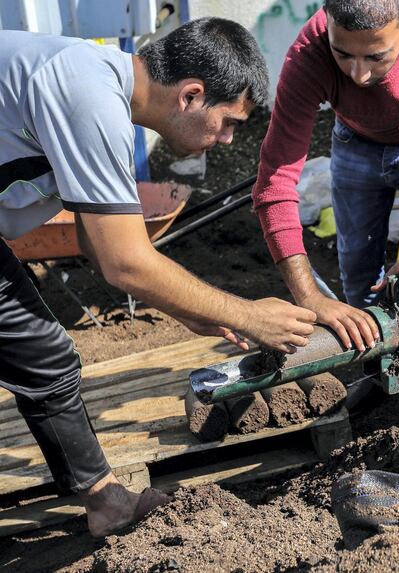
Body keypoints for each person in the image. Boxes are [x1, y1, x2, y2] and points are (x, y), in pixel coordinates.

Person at [0, 18, 317, 536]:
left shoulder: (98, 87)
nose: (228, 138)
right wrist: (247, 315)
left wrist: (192, 313)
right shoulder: (88, 95)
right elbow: (125, 261)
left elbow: (96, 246)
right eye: (230, 121)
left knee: (40, 354)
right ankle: (108, 504)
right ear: (191, 95)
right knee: (44, 355)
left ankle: (105, 503)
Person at [253, 0, 399, 459]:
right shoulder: (311, 47)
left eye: (376, 57)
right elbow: (275, 181)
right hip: (354, 143)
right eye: (344, 55)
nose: (357, 75)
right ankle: (375, 376)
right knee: (357, 276)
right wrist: (310, 298)